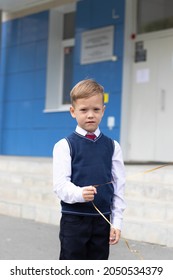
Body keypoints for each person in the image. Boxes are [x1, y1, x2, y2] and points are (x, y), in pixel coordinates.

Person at [53, 79, 126, 260]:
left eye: (96, 109)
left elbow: (119, 186)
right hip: (74, 221)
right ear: (73, 111)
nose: (90, 115)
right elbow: (60, 185)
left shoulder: (113, 146)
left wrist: (116, 222)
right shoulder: (64, 146)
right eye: (84, 110)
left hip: (103, 221)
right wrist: (79, 193)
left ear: (103, 110)